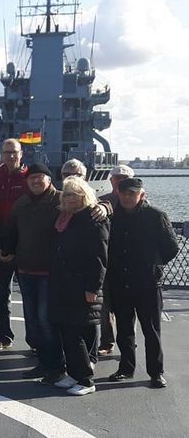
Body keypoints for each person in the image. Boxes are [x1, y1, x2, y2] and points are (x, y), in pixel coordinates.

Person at [107, 178, 179, 389]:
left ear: (141, 194)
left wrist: (153, 264)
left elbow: (171, 247)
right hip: (120, 281)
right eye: (125, 193)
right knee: (124, 328)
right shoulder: (113, 217)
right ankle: (126, 368)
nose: (128, 197)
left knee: (151, 329)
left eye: (132, 193)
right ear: (118, 193)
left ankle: (156, 372)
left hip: (147, 282)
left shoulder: (155, 216)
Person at [47, 176, 109, 396]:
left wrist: (93, 287)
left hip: (81, 285)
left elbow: (99, 257)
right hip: (64, 285)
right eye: (67, 194)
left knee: (76, 333)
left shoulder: (93, 219)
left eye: (74, 194)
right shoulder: (67, 219)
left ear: (84, 195)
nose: (70, 198)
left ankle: (85, 379)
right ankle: (74, 373)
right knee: (66, 330)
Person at [0, 163, 63, 379]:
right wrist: (5, 249)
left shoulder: (61, 200)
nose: (35, 181)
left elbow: (92, 206)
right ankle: (44, 362)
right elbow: (10, 229)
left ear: (49, 179)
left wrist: (105, 207)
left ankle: (56, 365)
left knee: (48, 321)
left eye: (40, 177)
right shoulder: (22, 203)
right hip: (26, 271)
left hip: (50, 273)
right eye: (31, 178)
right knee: (34, 320)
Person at [0, 139, 26, 351]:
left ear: (21, 154)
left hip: (25, 248)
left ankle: (38, 342)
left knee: (31, 298)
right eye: (6, 152)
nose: (10, 156)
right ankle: (3, 336)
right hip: (1, 248)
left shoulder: (29, 179)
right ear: (1, 155)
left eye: (14, 152)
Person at [96, 163, 135, 355]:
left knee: (127, 308)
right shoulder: (103, 201)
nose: (119, 181)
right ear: (111, 180)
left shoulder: (139, 203)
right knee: (104, 307)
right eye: (116, 178)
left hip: (128, 265)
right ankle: (107, 341)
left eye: (123, 178)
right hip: (107, 262)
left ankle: (129, 342)